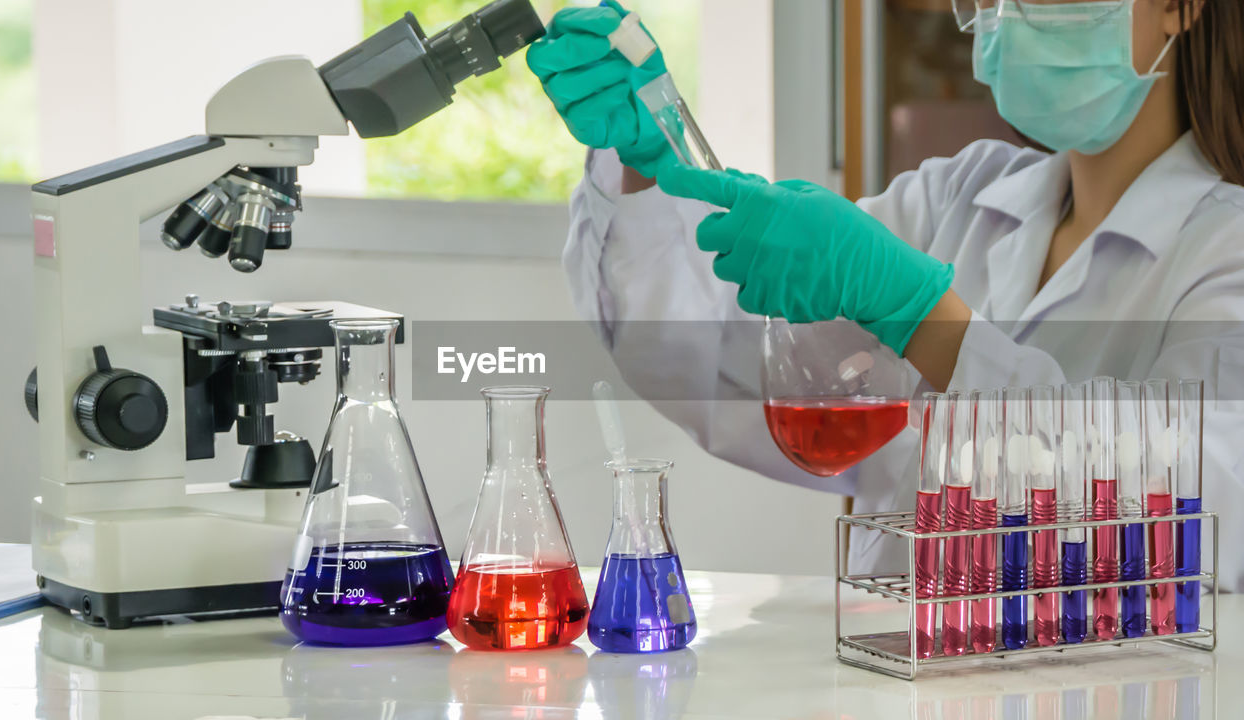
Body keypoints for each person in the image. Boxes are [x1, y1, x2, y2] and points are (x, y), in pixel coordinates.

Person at [527, 0, 1244, 587]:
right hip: (894, 676)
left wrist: (922, 316)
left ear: (1181, 8)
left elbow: (1191, 509)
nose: (1009, 15)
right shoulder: (955, 199)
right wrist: (653, 163)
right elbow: (722, 372)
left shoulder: (1226, 253)